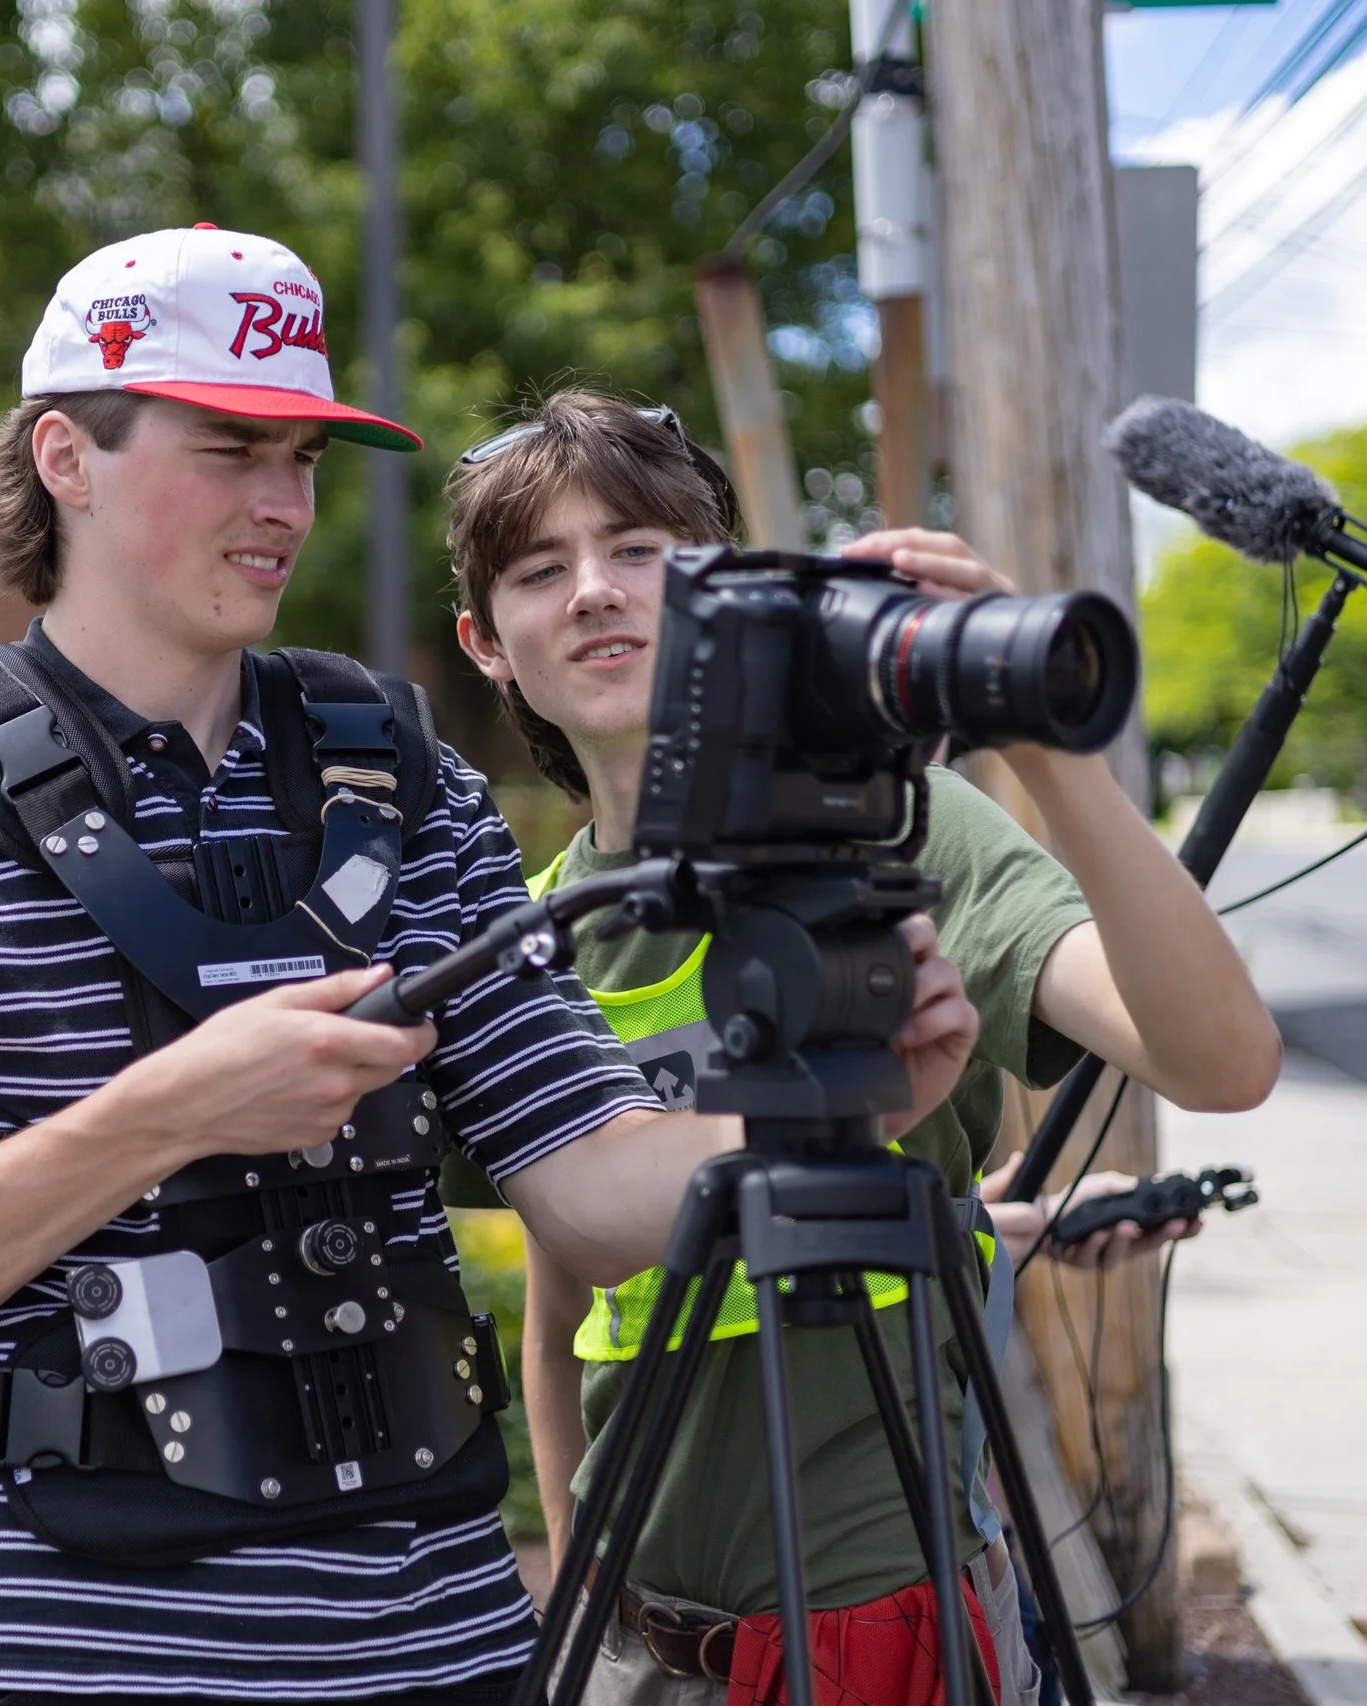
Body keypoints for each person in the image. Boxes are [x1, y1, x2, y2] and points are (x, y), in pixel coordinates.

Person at [0, 226, 982, 1705]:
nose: (282, 505)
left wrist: (838, 1107)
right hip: (50, 1650)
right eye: (230, 450)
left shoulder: (399, 774)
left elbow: (589, 1174)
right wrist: (174, 1108)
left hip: (432, 1640)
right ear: (66, 455)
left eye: (305, 462)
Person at [442, 391, 1283, 1706]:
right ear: (485, 642)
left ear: (728, 596)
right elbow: (561, 1317)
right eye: (541, 569)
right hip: (642, 1649)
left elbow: (1222, 1058)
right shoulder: (539, 927)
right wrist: (584, 1629)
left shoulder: (900, 829)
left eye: (643, 552)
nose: (596, 591)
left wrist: (1043, 745)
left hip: (884, 1626)